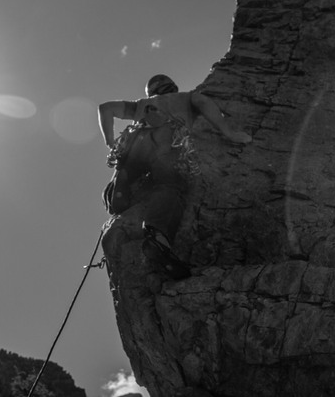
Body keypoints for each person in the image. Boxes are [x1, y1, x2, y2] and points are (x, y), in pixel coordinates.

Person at [98, 74, 251, 278]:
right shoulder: (186, 99)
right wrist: (228, 132)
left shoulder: (141, 104)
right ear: (173, 87)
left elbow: (105, 108)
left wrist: (110, 142)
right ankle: (156, 235)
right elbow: (203, 102)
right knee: (170, 185)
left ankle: (123, 179)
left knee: (128, 166)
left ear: (151, 92)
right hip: (167, 140)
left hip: (136, 142)